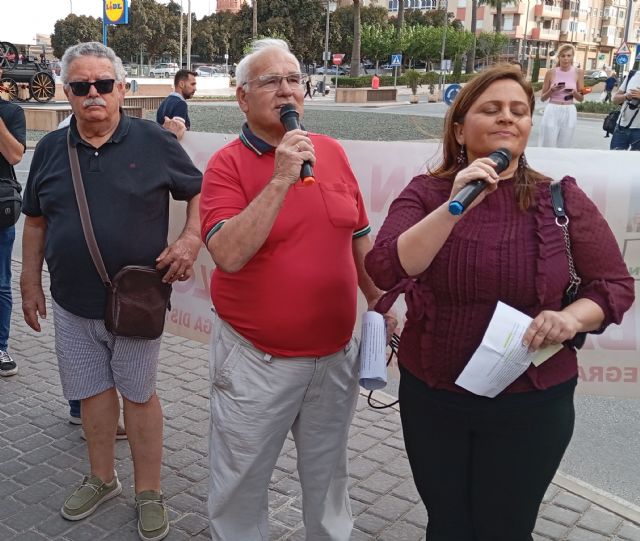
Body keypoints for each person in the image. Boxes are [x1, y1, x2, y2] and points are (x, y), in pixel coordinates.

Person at [364, 65, 635, 541]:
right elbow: (386, 269)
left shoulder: (561, 197)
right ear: (459, 128)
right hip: (435, 396)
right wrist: (453, 205)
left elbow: (613, 286)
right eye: (491, 109)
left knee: (504, 529)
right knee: (448, 525)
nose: (508, 118)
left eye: (519, 111)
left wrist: (569, 318)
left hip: (530, 403)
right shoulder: (426, 192)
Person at [199, 38, 397, 541]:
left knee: (329, 480)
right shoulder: (226, 165)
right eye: (271, 82)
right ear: (242, 98)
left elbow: (358, 236)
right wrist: (281, 177)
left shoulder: (330, 151)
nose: (287, 91)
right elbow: (228, 253)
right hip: (255, 363)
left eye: (294, 80)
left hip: (334, 360)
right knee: (241, 484)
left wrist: (379, 299)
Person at [20, 42, 202, 541]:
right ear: (68, 92)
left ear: (123, 89)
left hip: (136, 303)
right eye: (81, 86)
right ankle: (102, 477)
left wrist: (190, 237)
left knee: (138, 396)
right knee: (92, 394)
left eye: (103, 84)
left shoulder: (154, 141)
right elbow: (34, 221)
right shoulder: (52, 150)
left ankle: (149, 490)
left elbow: (198, 192)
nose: (93, 94)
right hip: (70, 301)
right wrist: (29, 280)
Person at [0, 66, 26, 377]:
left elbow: (16, 155)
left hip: (0, 209)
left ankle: (1, 345)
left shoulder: (12, 112)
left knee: (1, 282)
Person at [539, 44, 584, 147]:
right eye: (563, 56)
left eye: (569, 55)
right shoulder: (550, 73)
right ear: (559, 57)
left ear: (573, 57)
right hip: (552, 109)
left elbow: (581, 98)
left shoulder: (579, 72)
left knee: (564, 146)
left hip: (569, 110)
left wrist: (574, 93)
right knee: (548, 144)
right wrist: (551, 90)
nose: (566, 59)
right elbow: (542, 98)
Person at [155, 69, 197, 140]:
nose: (195, 89)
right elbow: (178, 134)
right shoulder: (180, 104)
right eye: (192, 84)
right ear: (181, 84)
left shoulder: (164, 102)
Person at [610, 68, 640, 151]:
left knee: (636, 162)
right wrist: (626, 96)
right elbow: (615, 99)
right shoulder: (632, 75)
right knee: (615, 159)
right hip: (621, 127)